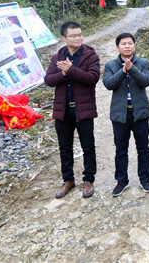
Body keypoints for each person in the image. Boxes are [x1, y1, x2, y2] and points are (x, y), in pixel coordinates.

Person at [44, 21, 100, 199]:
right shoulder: (57, 58)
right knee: (64, 147)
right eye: (73, 35)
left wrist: (72, 70)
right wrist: (63, 73)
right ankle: (68, 180)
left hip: (83, 109)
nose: (78, 38)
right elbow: (49, 80)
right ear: (64, 38)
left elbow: (93, 78)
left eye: (80, 35)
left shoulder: (90, 55)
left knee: (88, 146)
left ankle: (88, 180)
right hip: (63, 110)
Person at [103, 33, 149, 197]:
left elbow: (146, 80)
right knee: (121, 150)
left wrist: (133, 69)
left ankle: (145, 179)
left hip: (140, 114)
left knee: (143, 148)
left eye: (130, 43)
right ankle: (121, 181)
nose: (127, 46)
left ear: (134, 46)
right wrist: (123, 71)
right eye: (123, 44)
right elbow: (108, 84)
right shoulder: (111, 65)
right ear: (117, 47)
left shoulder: (143, 63)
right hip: (120, 115)